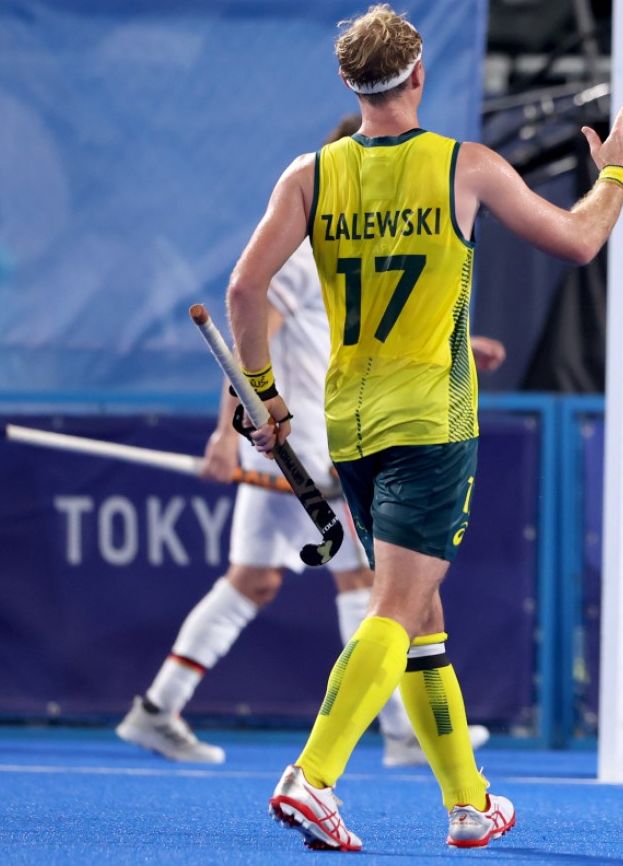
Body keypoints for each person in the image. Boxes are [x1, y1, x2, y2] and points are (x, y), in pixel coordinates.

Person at [225, 3, 623, 852]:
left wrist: (267, 398)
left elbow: (245, 290)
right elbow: (577, 243)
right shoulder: (466, 166)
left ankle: (469, 802)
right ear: (417, 77)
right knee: (397, 603)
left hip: (347, 423)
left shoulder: (307, 175)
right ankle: (312, 778)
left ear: (350, 85)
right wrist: (617, 174)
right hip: (429, 419)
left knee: (419, 614)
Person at [116, 115, 500, 770]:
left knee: (255, 579)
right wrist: (224, 434)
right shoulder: (305, 246)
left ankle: (157, 708)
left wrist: (463, 346)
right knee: (365, 578)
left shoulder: (357, 242)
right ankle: (403, 729)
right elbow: (250, 327)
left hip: (310, 442)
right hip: (308, 447)